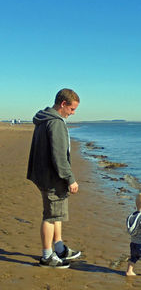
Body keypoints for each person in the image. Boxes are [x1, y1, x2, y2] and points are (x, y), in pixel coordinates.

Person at [27, 88, 82, 268]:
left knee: (56, 213)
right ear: (63, 104)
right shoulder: (55, 123)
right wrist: (70, 179)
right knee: (50, 216)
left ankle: (59, 248)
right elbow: (59, 156)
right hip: (51, 177)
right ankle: (47, 256)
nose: (73, 113)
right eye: (72, 109)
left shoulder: (44, 119)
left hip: (44, 174)